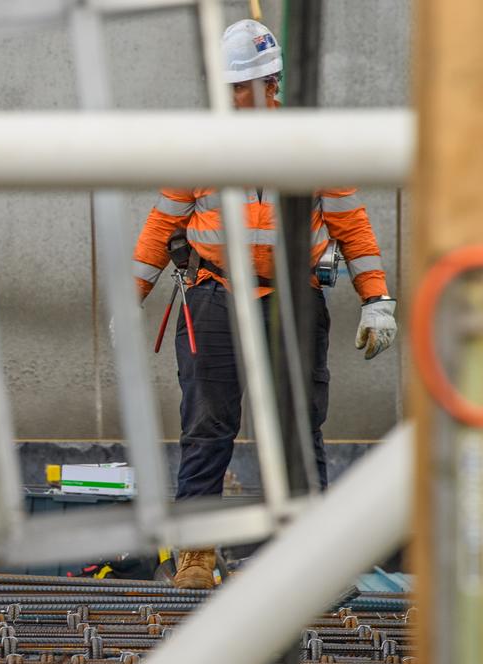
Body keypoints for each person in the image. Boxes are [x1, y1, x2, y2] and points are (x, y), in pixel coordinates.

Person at [130, 20, 397, 589]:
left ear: (266, 85)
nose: (225, 98)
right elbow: (162, 224)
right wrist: (131, 299)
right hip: (213, 297)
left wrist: (378, 300)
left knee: (299, 429)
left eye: (235, 87)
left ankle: (311, 557)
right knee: (207, 426)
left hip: (293, 302)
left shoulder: (312, 145)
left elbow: (352, 225)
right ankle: (196, 557)